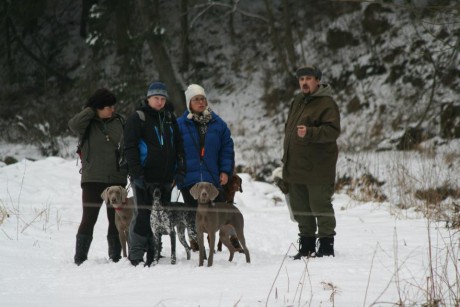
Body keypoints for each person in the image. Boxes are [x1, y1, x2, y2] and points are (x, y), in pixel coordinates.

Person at [123, 81, 186, 266]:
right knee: (144, 215)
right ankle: (136, 255)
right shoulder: (138, 117)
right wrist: (137, 174)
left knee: (160, 216)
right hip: (144, 177)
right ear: (148, 99)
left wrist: (180, 170)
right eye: (156, 98)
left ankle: (154, 252)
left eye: (162, 99)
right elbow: (130, 147)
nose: (160, 102)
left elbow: (179, 145)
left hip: (166, 178)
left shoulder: (169, 117)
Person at [282, 65, 341, 259]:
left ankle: (325, 247)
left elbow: (333, 131)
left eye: (308, 79)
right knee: (301, 208)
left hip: (318, 167)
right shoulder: (298, 100)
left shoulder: (327, 103)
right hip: (296, 166)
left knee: (319, 206)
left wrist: (310, 132)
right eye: (301, 80)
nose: (304, 83)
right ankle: (306, 246)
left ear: (317, 80)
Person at [68, 88, 127, 265]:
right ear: (98, 107)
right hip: (92, 179)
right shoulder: (87, 123)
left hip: (117, 179)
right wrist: (90, 110)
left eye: (113, 106)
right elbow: (73, 125)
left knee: (115, 220)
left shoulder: (120, 122)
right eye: (108, 106)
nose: (112, 109)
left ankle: (116, 257)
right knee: (89, 218)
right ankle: (80, 258)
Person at [176, 84, 236, 251]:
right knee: (192, 212)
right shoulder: (179, 125)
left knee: (219, 211)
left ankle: (229, 238)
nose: (201, 102)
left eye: (203, 99)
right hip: (189, 178)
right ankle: (196, 241)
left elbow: (227, 149)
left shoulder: (218, 124)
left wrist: (225, 171)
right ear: (189, 103)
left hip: (213, 177)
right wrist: (176, 172)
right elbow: (173, 151)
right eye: (196, 99)